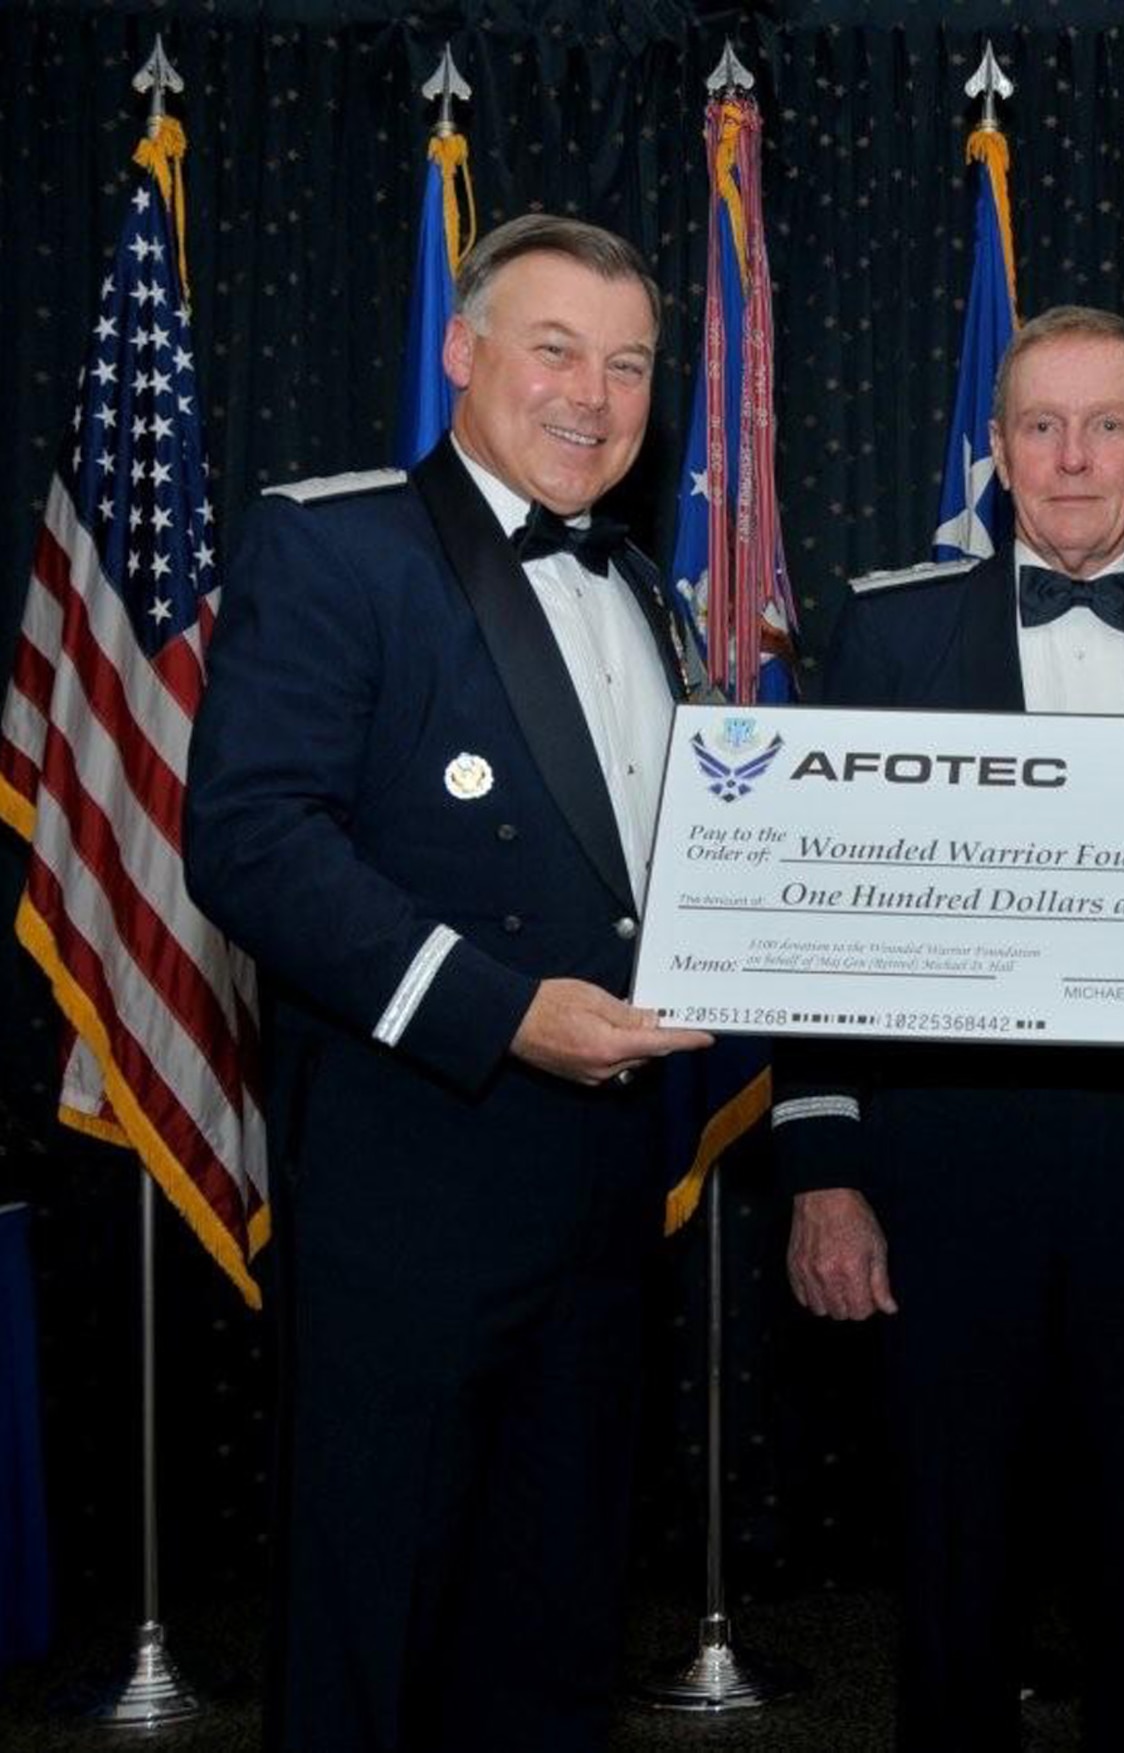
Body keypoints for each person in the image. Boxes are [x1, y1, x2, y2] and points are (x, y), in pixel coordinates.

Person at [772, 305, 1124, 1749]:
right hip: (943, 1176)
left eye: (1105, 427)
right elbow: (820, 915)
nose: (1072, 457)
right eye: (1040, 424)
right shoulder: (887, 630)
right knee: (951, 1563)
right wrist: (824, 1164)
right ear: (997, 450)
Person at [185, 214, 713, 1753]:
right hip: (416, 1168)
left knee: (553, 1616)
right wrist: (500, 1010)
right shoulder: (339, 543)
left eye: (626, 366)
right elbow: (254, 841)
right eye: (554, 350)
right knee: (377, 1613)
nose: (594, 396)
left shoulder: (652, 597)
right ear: (464, 353)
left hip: (608, 1185)